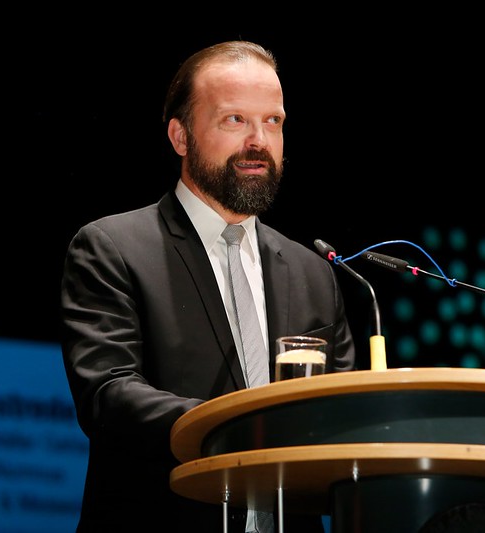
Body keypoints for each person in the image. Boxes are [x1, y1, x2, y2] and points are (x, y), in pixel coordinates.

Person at [59, 40, 357, 532]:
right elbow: (109, 396)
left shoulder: (313, 272)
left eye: (273, 121)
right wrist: (242, 428)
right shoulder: (112, 247)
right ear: (180, 136)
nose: (259, 140)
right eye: (234, 120)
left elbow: (339, 413)